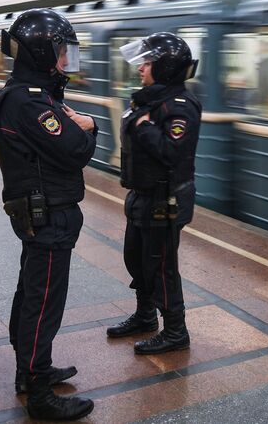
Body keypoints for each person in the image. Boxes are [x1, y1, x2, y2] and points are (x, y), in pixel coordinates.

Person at [0, 9, 97, 420]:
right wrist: (89, 128)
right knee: (44, 299)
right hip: (48, 214)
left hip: (43, 211)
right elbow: (74, 151)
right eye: (60, 51)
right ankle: (38, 390)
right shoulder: (29, 101)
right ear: (40, 52)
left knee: (33, 292)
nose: (66, 61)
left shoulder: (30, 93)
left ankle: (29, 368)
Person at [105, 33, 201, 356]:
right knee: (135, 258)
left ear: (165, 68)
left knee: (161, 267)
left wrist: (145, 128)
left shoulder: (181, 107)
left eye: (147, 63)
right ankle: (146, 315)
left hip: (165, 200)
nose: (140, 68)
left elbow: (172, 152)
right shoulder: (149, 100)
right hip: (142, 194)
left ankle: (176, 330)